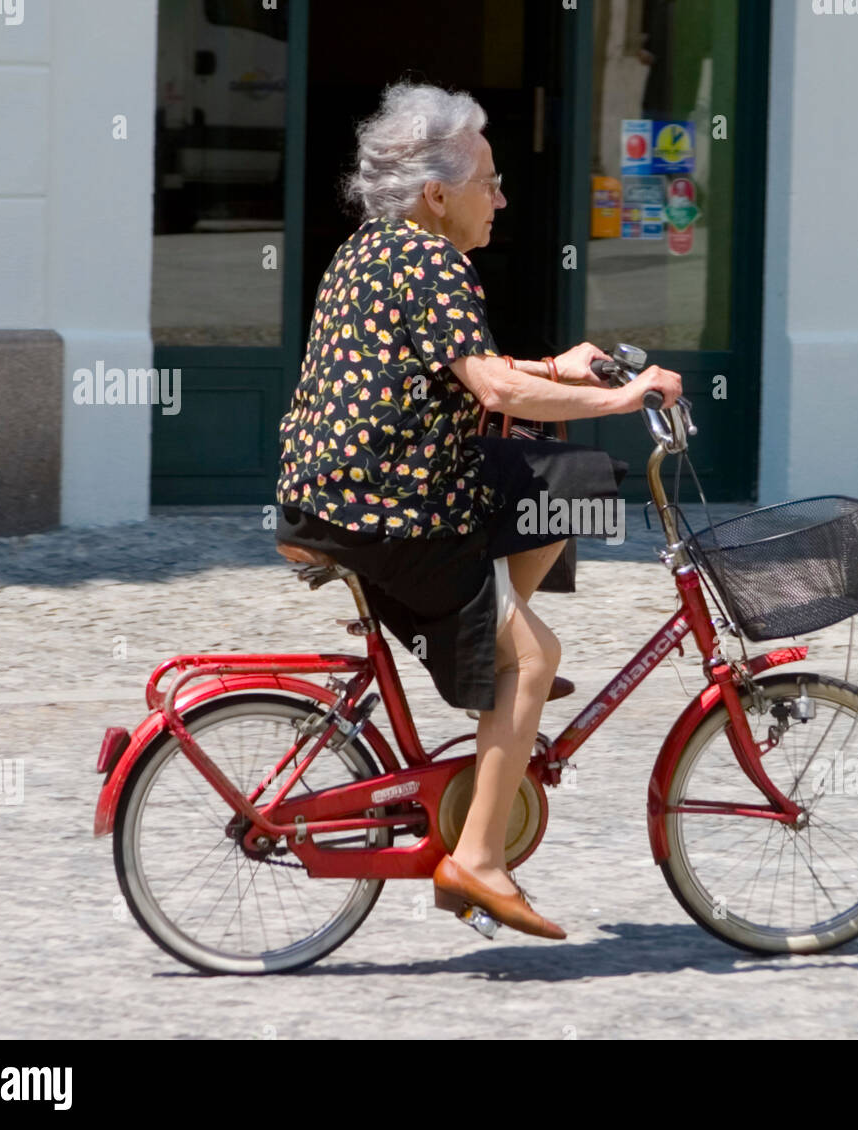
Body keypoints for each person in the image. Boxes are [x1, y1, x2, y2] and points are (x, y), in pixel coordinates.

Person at [274, 82, 682, 939]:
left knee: (573, 478)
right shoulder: (432, 261)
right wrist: (625, 397)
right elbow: (491, 385)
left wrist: (564, 368)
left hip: (349, 489)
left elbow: (466, 371)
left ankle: (484, 662)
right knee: (536, 659)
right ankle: (478, 859)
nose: (501, 197)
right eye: (489, 181)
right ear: (437, 195)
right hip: (391, 508)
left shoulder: (372, 249)